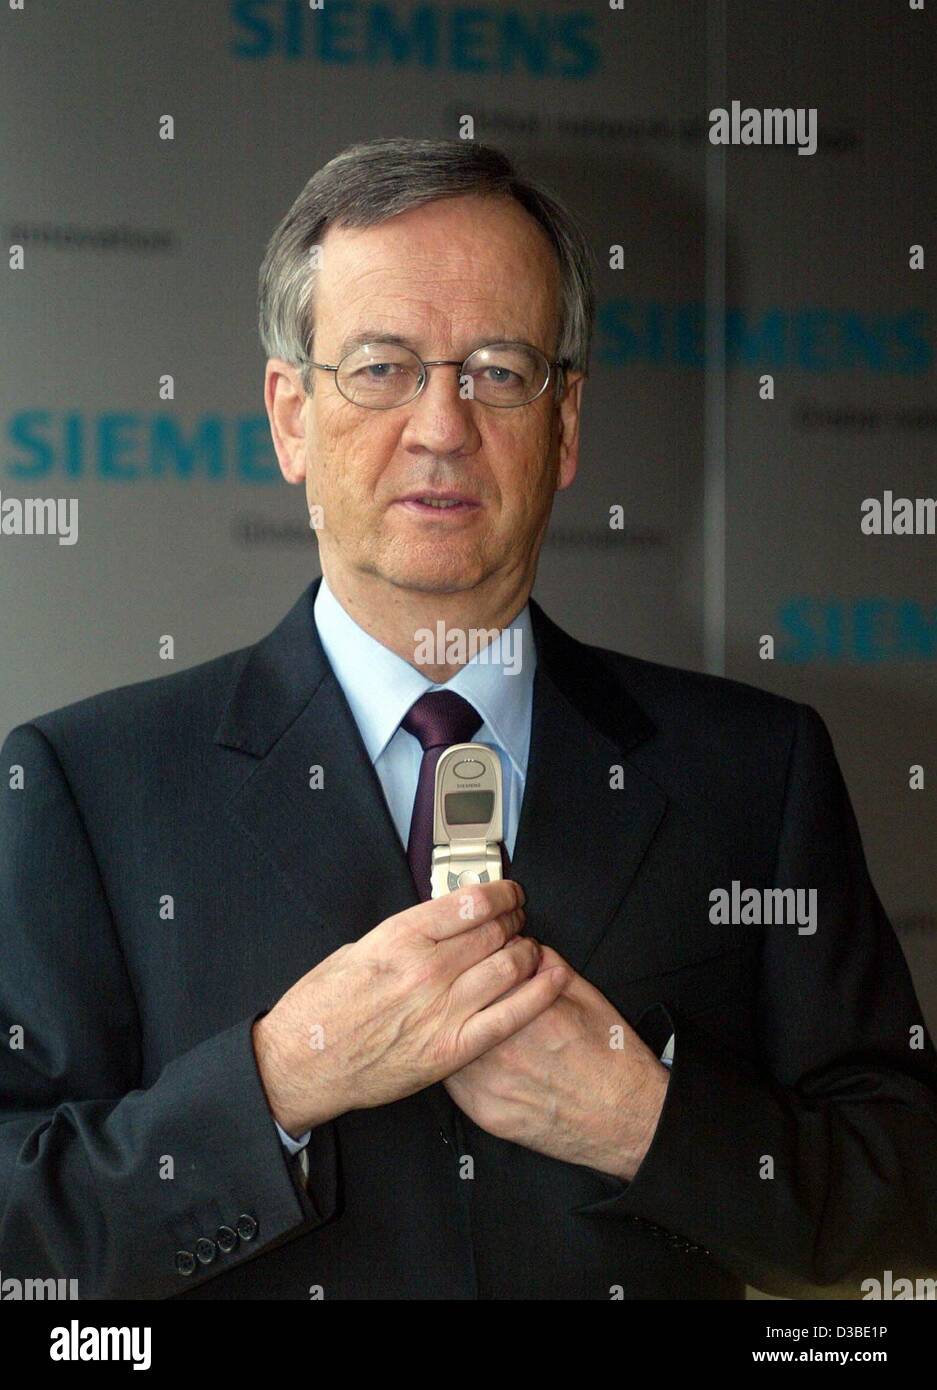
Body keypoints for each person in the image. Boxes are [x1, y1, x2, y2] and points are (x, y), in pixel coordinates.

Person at [1, 138, 935, 1301]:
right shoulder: (88, 786)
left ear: (567, 424)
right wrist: (281, 1078)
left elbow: (904, 1192)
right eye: (383, 367)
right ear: (290, 416)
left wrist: (644, 1120)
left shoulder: (754, 769)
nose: (443, 427)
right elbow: (20, 1230)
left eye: (498, 371)